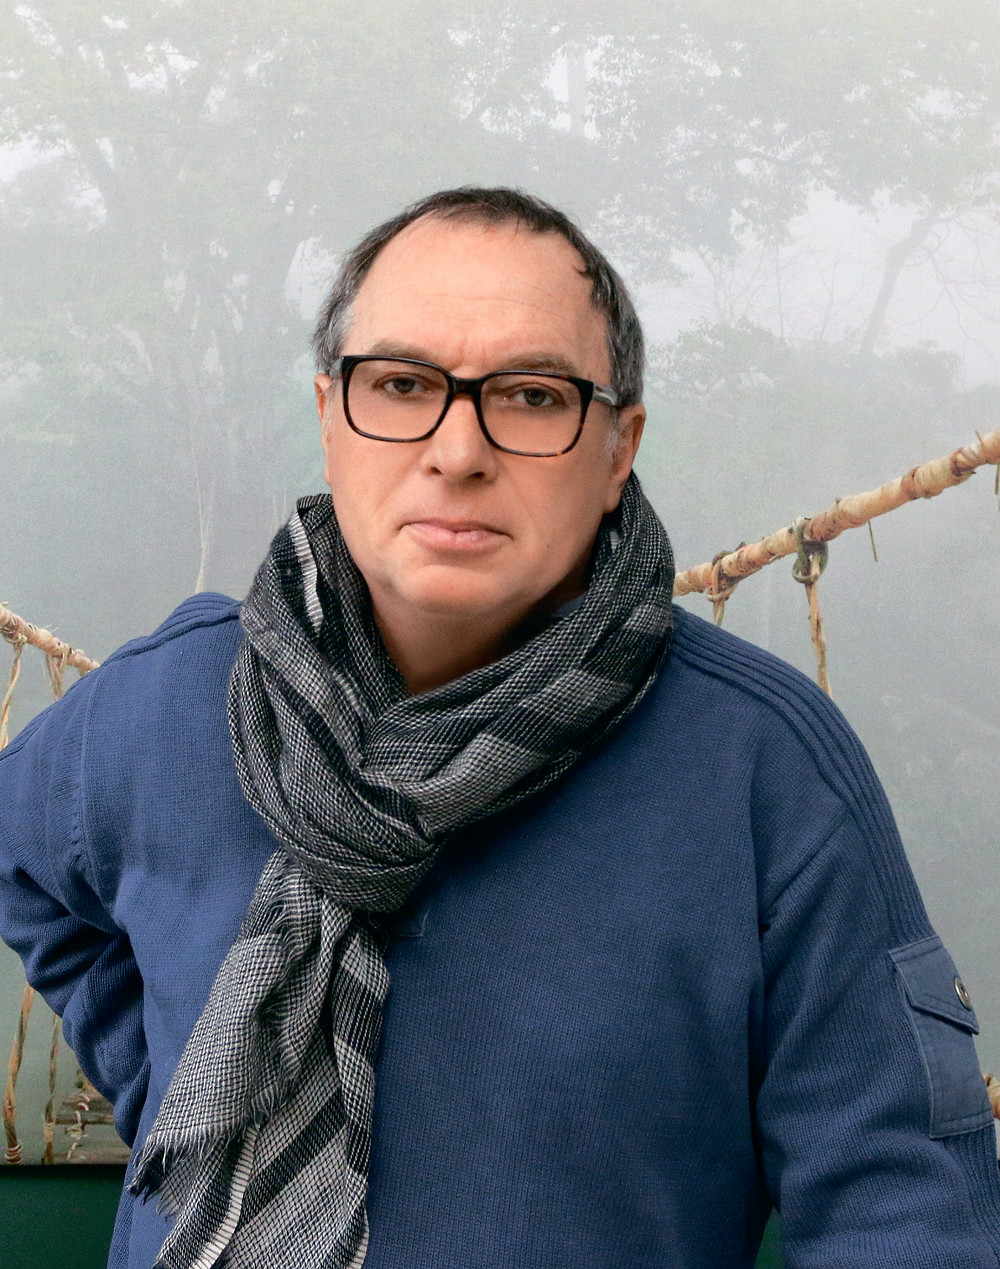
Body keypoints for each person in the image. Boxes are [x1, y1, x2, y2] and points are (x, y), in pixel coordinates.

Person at [1, 186, 998, 1269]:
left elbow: (906, 1217)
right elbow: (23, 865)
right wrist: (188, 1086)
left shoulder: (762, 767)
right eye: (401, 383)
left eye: (530, 396)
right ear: (331, 418)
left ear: (618, 448)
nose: (459, 449)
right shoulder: (164, 703)